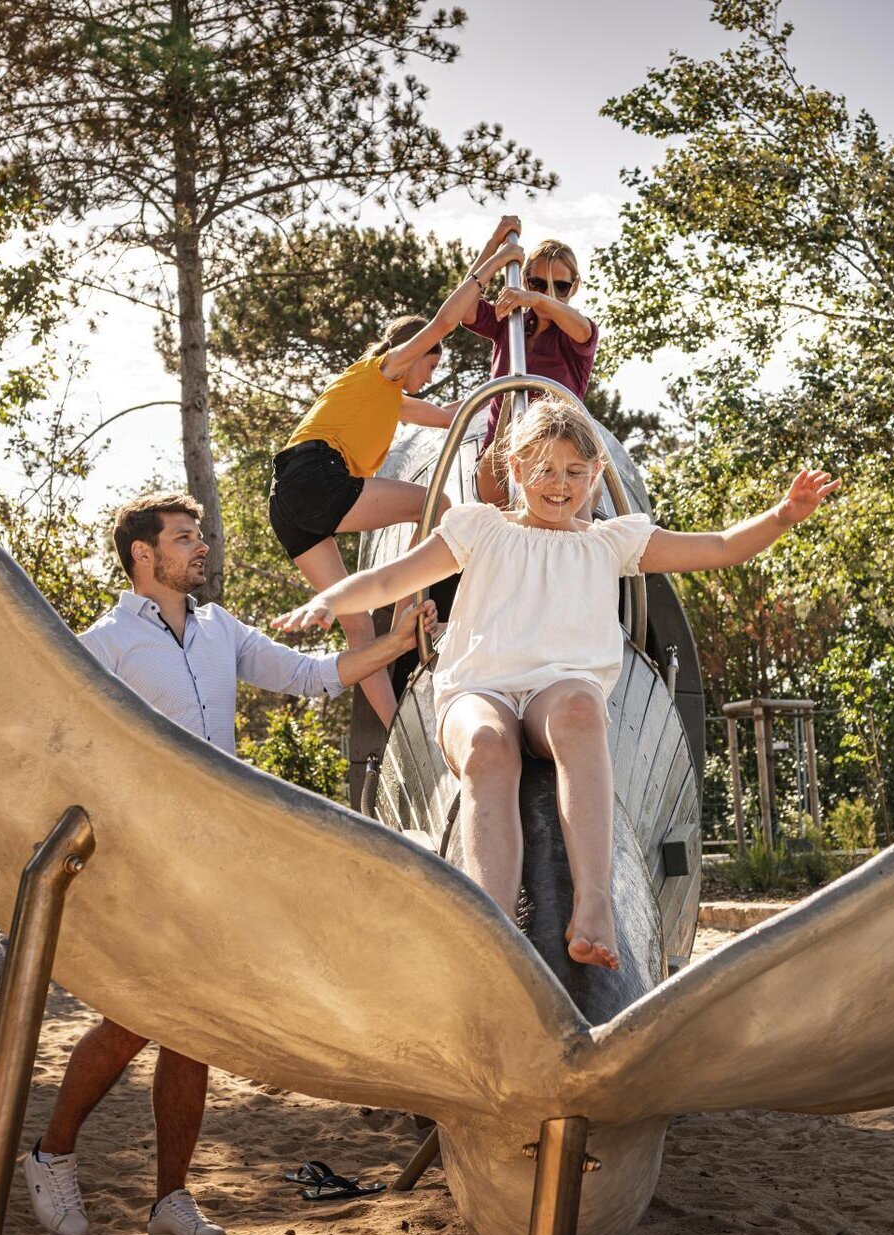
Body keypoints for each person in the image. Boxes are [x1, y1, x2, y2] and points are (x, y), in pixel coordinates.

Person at [272, 401, 839, 969]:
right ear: (516, 471)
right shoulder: (479, 528)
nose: (560, 485)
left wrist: (782, 515)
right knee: (486, 747)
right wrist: (330, 600)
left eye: (574, 472)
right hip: (480, 686)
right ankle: (491, 922)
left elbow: (718, 548)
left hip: (558, 689)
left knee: (580, 713)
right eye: (545, 470)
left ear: (595, 475)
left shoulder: (610, 542)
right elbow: (394, 577)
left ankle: (594, 905)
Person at [22, 492, 434, 1235]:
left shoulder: (219, 629)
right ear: (144, 555)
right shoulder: (104, 643)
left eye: (199, 535)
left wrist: (397, 639)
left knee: (192, 1029)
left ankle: (170, 1200)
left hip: (216, 863)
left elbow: (314, 674)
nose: (200, 546)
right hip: (145, 864)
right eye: (185, 537)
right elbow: (61, 738)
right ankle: (50, 1154)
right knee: (133, 1022)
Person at [268, 237, 524, 730]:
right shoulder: (384, 368)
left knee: (357, 621)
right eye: (432, 363)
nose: (430, 374)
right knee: (438, 503)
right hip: (316, 475)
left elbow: (452, 417)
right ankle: (407, 602)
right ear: (413, 353)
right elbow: (447, 320)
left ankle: (395, 733)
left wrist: (505, 386)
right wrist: (497, 260)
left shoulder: (385, 396)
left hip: (285, 502)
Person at [463, 215, 599, 507]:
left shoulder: (577, 334)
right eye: (537, 283)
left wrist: (534, 299)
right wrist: (494, 249)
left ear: (574, 286)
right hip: (502, 455)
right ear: (525, 280)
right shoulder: (509, 323)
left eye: (559, 286)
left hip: (559, 452)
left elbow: (582, 328)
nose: (547, 293)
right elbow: (464, 307)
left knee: (590, 485)